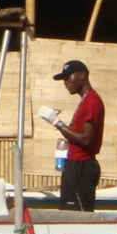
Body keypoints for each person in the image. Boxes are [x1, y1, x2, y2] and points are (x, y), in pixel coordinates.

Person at [47, 59, 104, 211]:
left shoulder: (92, 101)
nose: (65, 82)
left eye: (68, 77)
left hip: (81, 167)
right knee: (67, 212)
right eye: (63, 79)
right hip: (74, 166)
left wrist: (56, 122)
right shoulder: (85, 100)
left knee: (78, 214)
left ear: (82, 75)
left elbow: (86, 139)